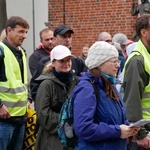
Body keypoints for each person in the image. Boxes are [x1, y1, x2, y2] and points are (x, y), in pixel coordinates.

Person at [71, 41, 139, 150]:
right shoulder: (87, 88)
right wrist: (118, 131)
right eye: (114, 61)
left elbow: (115, 118)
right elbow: (83, 128)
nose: (118, 65)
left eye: (118, 60)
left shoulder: (109, 85)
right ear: (99, 63)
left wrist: (129, 127)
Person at [35, 45, 78, 150]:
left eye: (68, 60)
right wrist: (68, 122)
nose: (66, 64)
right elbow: (43, 114)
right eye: (61, 61)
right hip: (51, 140)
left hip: (73, 138)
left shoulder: (76, 82)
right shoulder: (46, 84)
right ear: (53, 63)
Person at [0, 16, 29, 150]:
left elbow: (22, 82)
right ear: (9, 30)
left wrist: (28, 99)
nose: (25, 36)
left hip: (20, 118)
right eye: (21, 31)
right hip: (3, 120)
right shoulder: (1, 51)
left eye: (26, 32)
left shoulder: (22, 52)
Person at [122, 14, 150, 150]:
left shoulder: (147, 55)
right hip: (146, 133)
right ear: (144, 32)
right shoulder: (137, 60)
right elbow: (132, 100)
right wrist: (141, 134)